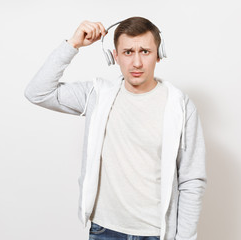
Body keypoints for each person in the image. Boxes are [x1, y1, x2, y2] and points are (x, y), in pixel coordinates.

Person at [24, 16, 207, 240]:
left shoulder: (180, 105)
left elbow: (191, 179)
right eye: (128, 52)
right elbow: (37, 92)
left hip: (155, 233)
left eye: (145, 52)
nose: (137, 62)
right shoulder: (97, 95)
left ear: (159, 54)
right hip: (104, 230)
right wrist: (73, 44)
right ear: (115, 57)